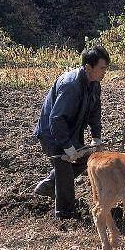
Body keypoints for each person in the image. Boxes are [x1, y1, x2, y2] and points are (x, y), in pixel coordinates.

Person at [33, 45, 110, 220]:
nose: (104, 72)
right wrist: (67, 147)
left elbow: (94, 112)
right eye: (102, 68)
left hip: (72, 131)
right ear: (88, 67)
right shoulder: (71, 85)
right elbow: (56, 119)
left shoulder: (95, 84)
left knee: (87, 158)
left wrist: (96, 138)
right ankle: (65, 215)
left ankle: (49, 185)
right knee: (65, 169)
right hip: (52, 134)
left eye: (106, 68)